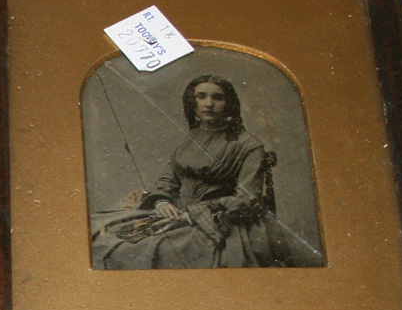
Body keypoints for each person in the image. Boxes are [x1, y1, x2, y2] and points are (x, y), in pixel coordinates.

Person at [92, 75, 292, 270]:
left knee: (145, 250)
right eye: (201, 96)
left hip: (217, 220)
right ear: (192, 103)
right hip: (174, 212)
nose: (209, 104)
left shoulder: (249, 145)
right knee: (99, 232)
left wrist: (191, 215)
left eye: (218, 98)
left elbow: (246, 199)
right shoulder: (191, 137)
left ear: (229, 104)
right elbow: (169, 178)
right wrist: (162, 202)